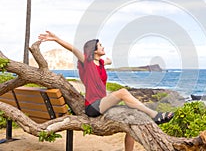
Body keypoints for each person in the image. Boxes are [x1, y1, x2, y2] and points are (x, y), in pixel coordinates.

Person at [38, 31, 174, 151]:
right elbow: (73, 49)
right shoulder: (87, 62)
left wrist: (108, 60)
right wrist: (56, 38)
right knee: (122, 92)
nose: (103, 47)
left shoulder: (101, 63)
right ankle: (155, 115)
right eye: (101, 45)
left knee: (134, 116)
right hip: (93, 107)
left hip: (102, 104)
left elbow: (106, 61)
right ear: (94, 50)